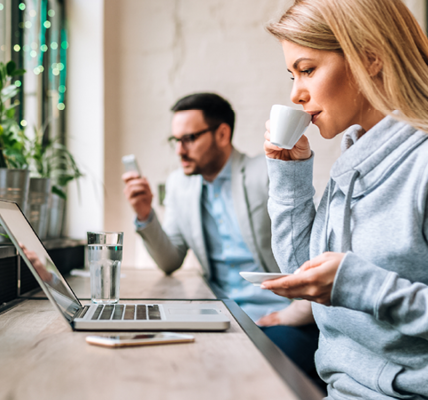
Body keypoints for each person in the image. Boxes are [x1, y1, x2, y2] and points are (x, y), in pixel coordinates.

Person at [259, 0, 428, 399]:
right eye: (292, 75)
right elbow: (303, 274)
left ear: (370, 58)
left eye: (307, 70)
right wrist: (290, 175)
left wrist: (363, 285)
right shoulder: (355, 158)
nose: (296, 94)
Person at [121, 93, 320, 379]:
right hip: (221, 315)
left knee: (251, 371)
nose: (179, 151)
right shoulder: (179, 185)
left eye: (188, 139)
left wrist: (296, 313)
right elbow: (170, 260)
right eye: (175, 140)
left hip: (282, 316)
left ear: (222, 134)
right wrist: (145, 215)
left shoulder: (267, 170)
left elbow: (311, 255)